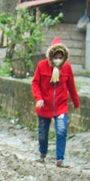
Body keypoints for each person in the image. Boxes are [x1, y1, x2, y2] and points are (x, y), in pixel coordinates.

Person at [31, 37, 81, 168]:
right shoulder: (42, 65)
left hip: (61, 106)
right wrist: (39, 98)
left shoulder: (67, 68)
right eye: (56, 56)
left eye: (61, 57)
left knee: (61, 130)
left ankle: (60, 159)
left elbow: (71, 86)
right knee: (43, 133)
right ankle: (42, 154)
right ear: (51, 56)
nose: (58, 59)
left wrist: (76, 103)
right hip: (44, 106)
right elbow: (35, 83)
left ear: (64, 57)